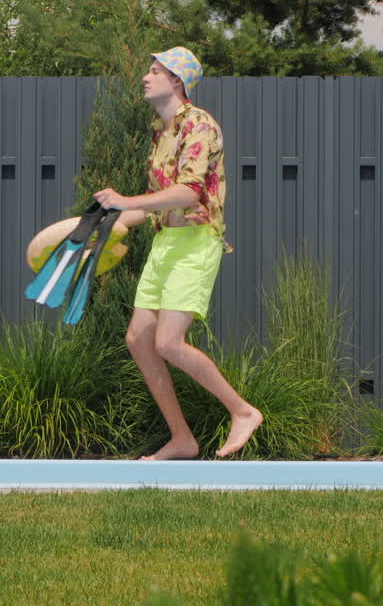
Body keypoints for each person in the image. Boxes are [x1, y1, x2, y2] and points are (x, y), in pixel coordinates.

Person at [92, 47, 263, 460]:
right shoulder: (162, 132)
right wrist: (113, 222)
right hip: (165, 242)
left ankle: (242, 411)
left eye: (155, 71)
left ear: (177, 81)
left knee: (168, 342)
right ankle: (182, 439)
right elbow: (156, 201)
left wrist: (125, 199)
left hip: (196, 241)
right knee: (138, 339)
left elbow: (189, 191)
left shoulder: (200, 126)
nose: (145, 77)